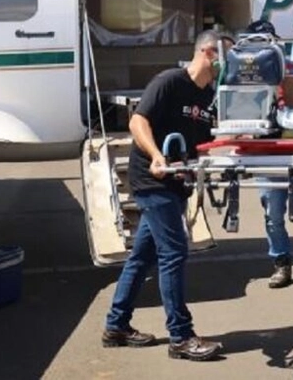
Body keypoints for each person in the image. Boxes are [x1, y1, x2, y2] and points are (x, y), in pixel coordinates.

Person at [102, 30, 225, 362]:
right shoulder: (170, 81)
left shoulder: (209, 96)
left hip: (176, 183)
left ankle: (116, 326)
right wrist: (157, 155)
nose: (226, 67)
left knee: (142, 256)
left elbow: (205, 141)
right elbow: (138, 121)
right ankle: (181, 336)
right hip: (152, 181)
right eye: (224, 58)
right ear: (208, 53)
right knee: (173, 252)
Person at [241, 19, 293, 289]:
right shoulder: (244, 72)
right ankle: (281, 263)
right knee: (272, 212)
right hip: (267, 150)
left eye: (267, 41)